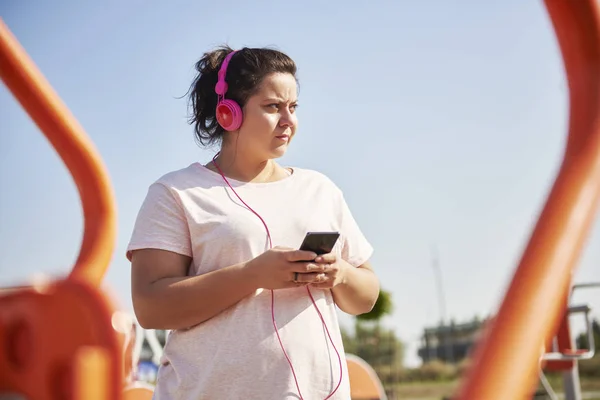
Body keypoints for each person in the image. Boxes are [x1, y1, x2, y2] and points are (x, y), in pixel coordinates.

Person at [127, 45, 380, 400]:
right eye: (273, 107)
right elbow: (151, 307)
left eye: (293, 107)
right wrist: (253, 275)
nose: (288, 120)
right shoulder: (176, 192)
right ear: (229, 114)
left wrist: (339, 273)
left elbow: (365, 296)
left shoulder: (320, 190)